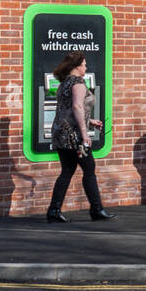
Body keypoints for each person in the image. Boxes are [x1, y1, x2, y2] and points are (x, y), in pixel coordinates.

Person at [47, 52, 114, 222]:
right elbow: (77, 107)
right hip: (73, 135)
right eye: (84, 64)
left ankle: (54, 210)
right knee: (89, 168)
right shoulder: (78, 83)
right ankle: (96, 209)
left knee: (67, 171)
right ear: (77, 66)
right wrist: (84, 134)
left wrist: (89, 121)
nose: (86, 67)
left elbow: (67, 110)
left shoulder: (64, 84)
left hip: (60, 132)